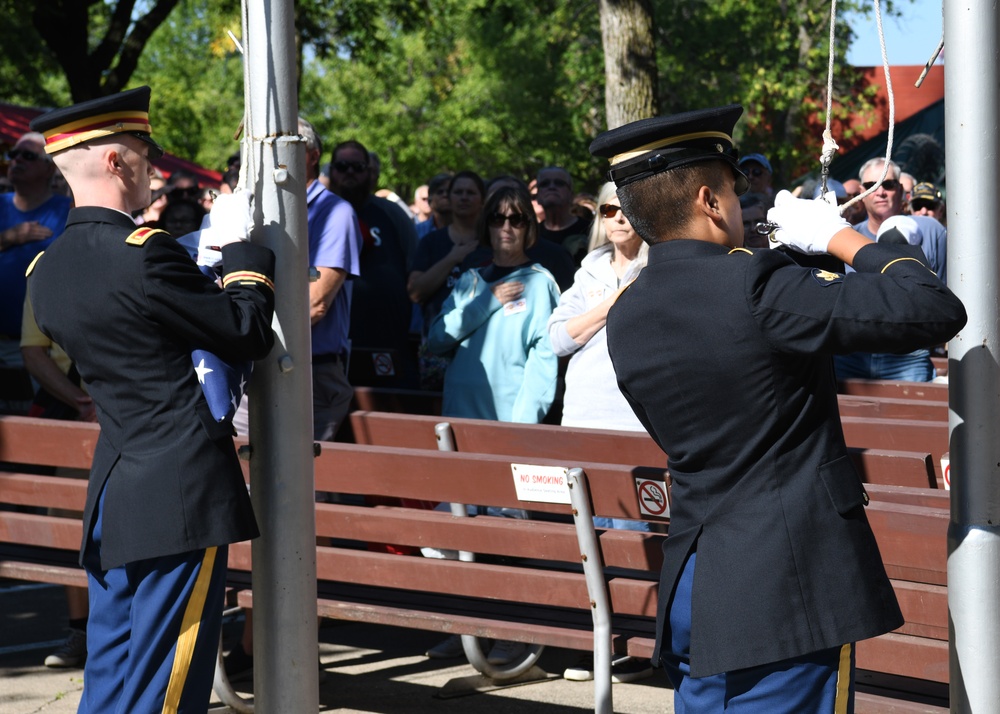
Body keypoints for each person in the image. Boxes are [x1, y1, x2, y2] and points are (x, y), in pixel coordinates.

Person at [590, 104, 965, 713]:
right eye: (735, 193)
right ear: (711, 201)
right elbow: (934, 307)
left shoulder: (629, 311)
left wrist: (803, 261)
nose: (743, 207)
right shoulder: (757, 286)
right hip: (784, 587)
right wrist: (845, 239)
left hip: (697, 582)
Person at [27, 86, 276, 714]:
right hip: (180, 491)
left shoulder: (46, 270)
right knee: (168, 683)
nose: (155, 166)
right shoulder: (146, 254)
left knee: (111, 676)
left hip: (116, 491)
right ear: (115, 162)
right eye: (144, 152)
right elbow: (244, 331)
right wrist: (245, 255)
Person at [424, 184, 560, 664]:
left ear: (529, 226)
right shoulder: (471, 280)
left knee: (504, 538)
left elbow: (543, 362)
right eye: (499, 218)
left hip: (508, 434)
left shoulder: (541, 282)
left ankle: (509, 636)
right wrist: (487, 299)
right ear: (487, 225)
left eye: (517, 219)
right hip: (460, 432)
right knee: (452, 535)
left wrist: (519, 431)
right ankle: (467, 629)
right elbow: (435, 339)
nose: (507, 227)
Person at [547, 181, 653, 684]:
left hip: (636, 424)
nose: (619, 217)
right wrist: (612, 304)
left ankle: (636, 646)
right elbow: (557, 339)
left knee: (633, 536)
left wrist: (596, 317)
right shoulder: (587, 271)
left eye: (628, 208)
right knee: (590, 536)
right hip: (582, 420)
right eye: (610, 208)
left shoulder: (661, 268)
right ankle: (600, 640)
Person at [327, 139, 419, 387]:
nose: (349, 173)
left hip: (389, 337)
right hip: (335, 341)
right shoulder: (319, 213)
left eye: (357, 167)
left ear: (370, 172)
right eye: (342, 166)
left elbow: (415, 268)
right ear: (331, 171)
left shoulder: (391, 213)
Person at [0, 131, 72, 407]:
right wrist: (8, 238)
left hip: (41, 352)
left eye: (27, 156)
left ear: (49, 167)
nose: (16, 160)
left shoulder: (68, 211)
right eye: (13, 154)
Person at [408, 171, 484, 389]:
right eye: (458, 192)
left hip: (481, 348)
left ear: (482, 199)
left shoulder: (491, 242)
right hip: (437, 347)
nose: (464, 197)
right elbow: (415, 292)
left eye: (471, 192)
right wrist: (452, 258)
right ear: (449, 199)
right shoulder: (431, 242)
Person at [535, 166, 591, 264]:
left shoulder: (590, 231)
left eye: (559, 183)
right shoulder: (532, 236)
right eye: (544, 184)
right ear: (538, 196)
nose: (551, 187)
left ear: (571, 194)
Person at [854, 158, 904, 239]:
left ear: (900, 190)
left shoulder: (927, 230)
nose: (880, 193)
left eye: (888, 184)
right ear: (862, 193)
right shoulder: (850, 237)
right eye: (871, 186)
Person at [415, 172, 452, 239]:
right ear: (430, 201)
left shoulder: (468, 230)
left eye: (449, 192)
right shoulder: (417, 231)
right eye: (440, 192)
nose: (445, 195)